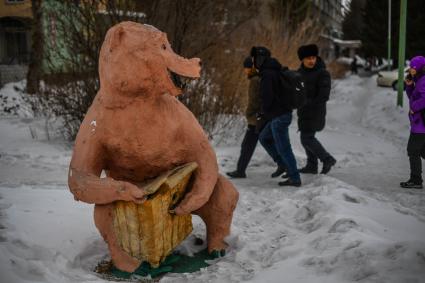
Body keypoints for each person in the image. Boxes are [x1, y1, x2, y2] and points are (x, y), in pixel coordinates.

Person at [251, 46, 301, 187]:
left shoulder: (268, 74)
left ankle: (295, 178)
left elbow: (267, 98)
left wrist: (263, 112)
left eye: (255, 58)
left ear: (260, 59)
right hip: (278, 115)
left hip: (280, 117)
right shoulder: (273, 70)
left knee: (284, 147)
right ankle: (282, 164)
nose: (253, 61)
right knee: (264, 137)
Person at [296, 44, 336, 175]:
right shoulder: (299, 73)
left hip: (315, 112)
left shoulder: (322, 73)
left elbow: (324, 95)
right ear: (302, 59)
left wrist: (307, 103)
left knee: (307, 138)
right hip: (303, 112)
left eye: (313, 57)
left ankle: (327, 159)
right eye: (308, 58)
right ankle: (312, 165)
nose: (311, 60)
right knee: (305, 138)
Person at [226, 57, 261, 178]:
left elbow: (254, 101)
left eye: (246, 68)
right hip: (261, 118)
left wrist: (249, 114)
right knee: (272, 144)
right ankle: (240, 170)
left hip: (256, 119)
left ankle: (240, 171)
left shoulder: (255, 80)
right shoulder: (260, 78)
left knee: (247, 145)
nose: (245, 71)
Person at [400, 55, 425, 189]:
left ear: (420, 67)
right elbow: (412, 97)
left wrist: (414, 108)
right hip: (418, 122)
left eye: (413, 67)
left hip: (421, 124)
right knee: (421, 151)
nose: (411, 70)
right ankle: (416, 179)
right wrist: (409, 86)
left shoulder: (423, 80)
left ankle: (416, 180)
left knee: (413, 150)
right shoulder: (419, 79)